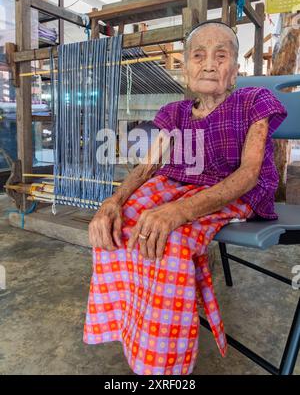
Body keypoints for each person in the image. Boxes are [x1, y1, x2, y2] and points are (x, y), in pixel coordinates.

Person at [84, 21, 287, 375]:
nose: (209, 64)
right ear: (186, 67)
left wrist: (177, 212)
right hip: (179, 184)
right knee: (118, 224)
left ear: (234, 70)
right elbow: (148, 169)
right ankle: (132, 327)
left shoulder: (253, 100)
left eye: (220, 56)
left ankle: (165, 366)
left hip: (234, 188)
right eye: (199, 55)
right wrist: (112, 203)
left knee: (168, 238)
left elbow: (248, 173)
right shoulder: (174, 113)